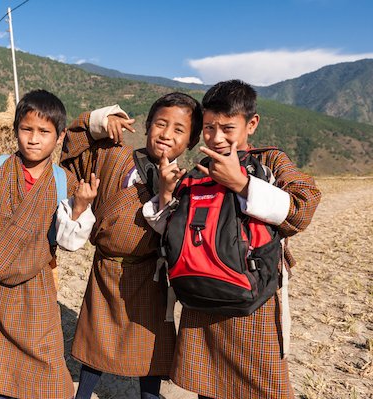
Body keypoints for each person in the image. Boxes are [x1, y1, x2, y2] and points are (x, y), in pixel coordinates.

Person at [167, 80, 322, 399]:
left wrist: (242, 183)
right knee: (207, 385)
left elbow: (303, 208)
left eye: (227, 127)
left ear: (251, 124)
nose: (216, 137)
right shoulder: (199, 168)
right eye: (208, 127)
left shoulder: (270, 161)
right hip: (202, 296)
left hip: (255, 300)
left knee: (259, 388)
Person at [59, 92, 203, 399]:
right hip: (106, 267)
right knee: (94, 341)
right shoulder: (115, 155)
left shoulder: (187, 183)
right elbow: (73, 141)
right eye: (160, 124)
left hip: (150, 275)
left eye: (179, 130)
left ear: (190, 142)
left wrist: (167, 194)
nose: (166, 134)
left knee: (149, 348)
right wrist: (102, 119)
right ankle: (81, 395)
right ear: (148, 125)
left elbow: (176, 237)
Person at [0, 89, 98, 399]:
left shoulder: (65, 181)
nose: (33, 139)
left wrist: (79, 207)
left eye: (44, 132)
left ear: (59, 136)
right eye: (26, 129)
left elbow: (68, 242)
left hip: (36, 285)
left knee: (44, 367)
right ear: (16, 131)